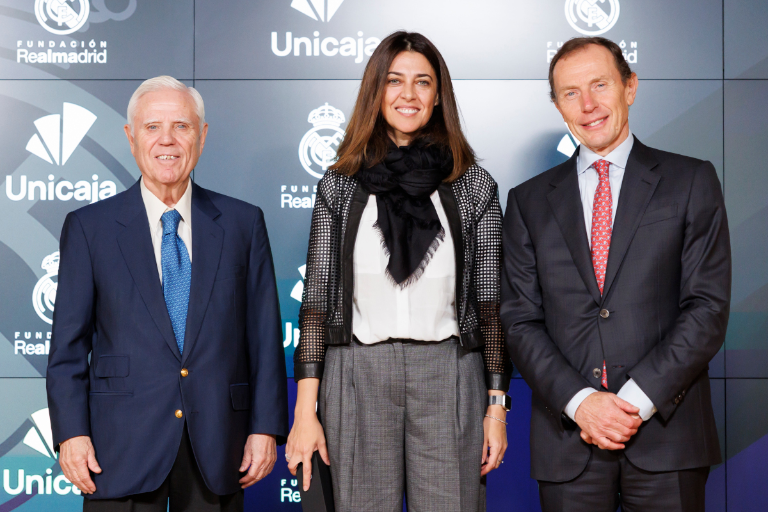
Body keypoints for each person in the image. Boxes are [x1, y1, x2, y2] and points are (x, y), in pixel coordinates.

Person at [501, 37, 731, 511]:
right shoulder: (527, 201)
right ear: (557, 104)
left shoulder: (691, 181)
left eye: (600, 85)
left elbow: (707, 308)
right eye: (570, 93)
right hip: (569, 442)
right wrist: (581, 402)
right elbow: (520, 320)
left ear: (630, 87)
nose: (587, 104)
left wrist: (636, 401)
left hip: (668, 435)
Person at [285, 31, 512, 512]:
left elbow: (491, 306)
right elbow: (317, 306)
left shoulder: (472, 186)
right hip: (357, 374)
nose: (408, 94)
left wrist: (496, 408)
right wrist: (305, 411)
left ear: (438, 95)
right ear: (376, 90)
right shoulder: (340, 185)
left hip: (449, 373)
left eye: (422, 82)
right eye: (394, 81)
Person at [46, 76, 289, 512]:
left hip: (219, 444)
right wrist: (71, 433)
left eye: (181, 126)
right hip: (118, 447)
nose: (167, 140)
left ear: (202, 135)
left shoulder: (243, 223)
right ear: (131, 137)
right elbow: (68, 349)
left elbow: (265, 339)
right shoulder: (89, 228)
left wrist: (265, 427)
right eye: (152, 127)